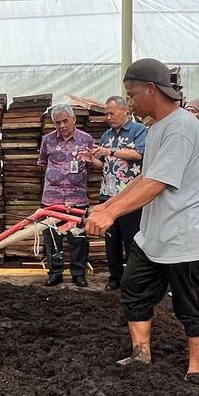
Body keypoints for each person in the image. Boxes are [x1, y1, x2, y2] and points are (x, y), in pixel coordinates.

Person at [86, 59, 199, 385]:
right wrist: (106, 205)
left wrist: (112, 214)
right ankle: (141, 355)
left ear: (150, 89)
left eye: (131, 95)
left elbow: (158, 182)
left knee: (192, 307)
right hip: (155, 234)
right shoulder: (156, 127)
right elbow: (144, 176)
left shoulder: (182, 126)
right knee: (134, 291)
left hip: (184, 236)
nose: (129, 102)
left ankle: (196, 372)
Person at [83, 96, 146, 291]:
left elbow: (139, 154)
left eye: (111, 113)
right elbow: (105, 166)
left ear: (124, 111)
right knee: (111, 239)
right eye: (106, 114)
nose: (108, 117)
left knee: (131, 238)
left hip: (130, 195)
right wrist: (91, 160)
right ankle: (115, 276)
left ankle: (134, 278)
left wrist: (110, 151)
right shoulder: (106, 135)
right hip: (107, 194)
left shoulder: (138, 130)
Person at [38, 103, 94, 287]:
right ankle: (55, 273)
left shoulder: (86, 140)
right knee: (53, 237)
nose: (61, 126)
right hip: (52, 199)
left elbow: (92, 164)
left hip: (77, 198)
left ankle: (78, 273)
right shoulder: (47, 140)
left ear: (74, 120)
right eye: (57, 122)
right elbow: (44, 163)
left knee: (77, 237)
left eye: (65, 121)